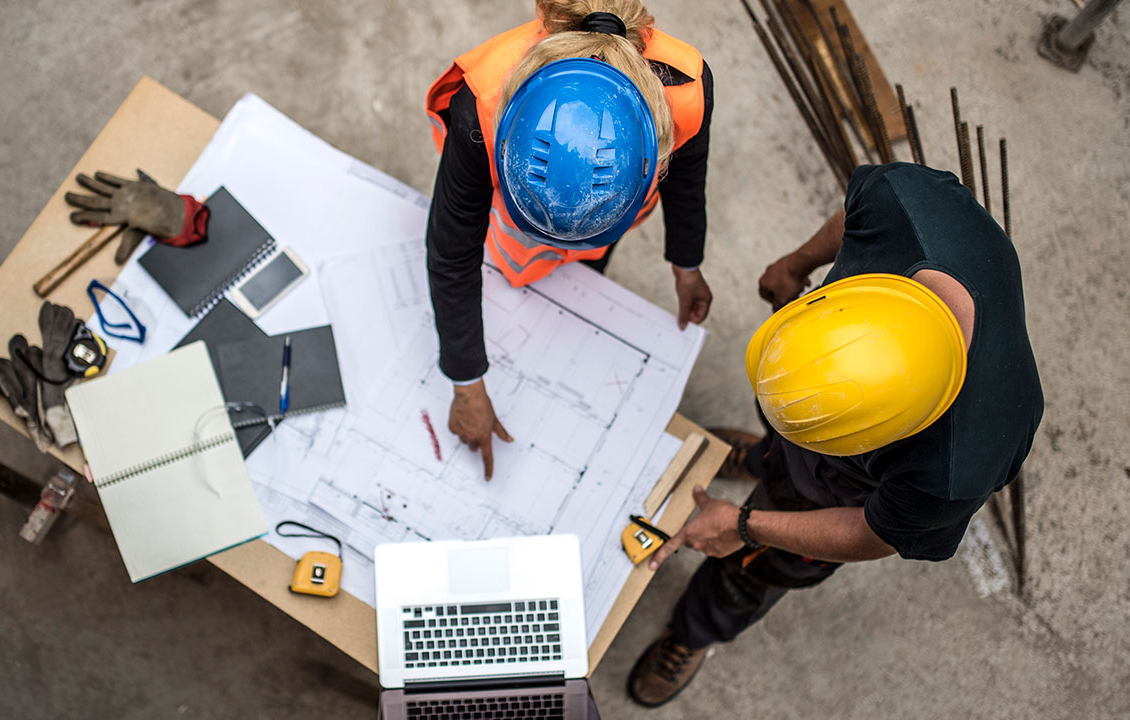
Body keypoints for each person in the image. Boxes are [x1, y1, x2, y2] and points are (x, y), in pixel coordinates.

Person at [625, 162, 1045, 707]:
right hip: (833, 413)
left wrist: (746, 526)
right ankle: (762, 457)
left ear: (881, 438)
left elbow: (870, 534)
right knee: (782, 445)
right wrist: (797, 263)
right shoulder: (906, 205)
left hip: (840, 494)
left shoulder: (958, 464)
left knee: (753, 570)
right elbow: (854, 216)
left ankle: (696, 631)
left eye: (818, 434)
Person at [424, 0, 715, 478]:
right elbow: (453, 251)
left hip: (606, 222)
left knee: (580, 280)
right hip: (515, 236)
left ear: (652, 156)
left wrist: (687, 263)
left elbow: (688, 178)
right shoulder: (481, 107)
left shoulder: (686, 86)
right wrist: (466, 381)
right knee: (516, 274)